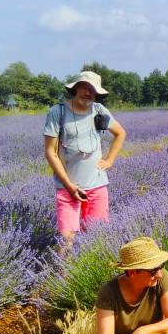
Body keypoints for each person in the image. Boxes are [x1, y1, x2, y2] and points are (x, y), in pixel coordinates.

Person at [43, 70, 126, 250]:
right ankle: (63, 275)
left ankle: (89, 276)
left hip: (96, 186)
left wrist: (109, 160)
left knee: (97, 236)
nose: (88, 92)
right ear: (76, 88)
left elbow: (120, 133)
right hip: (67, 188)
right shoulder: (59, 112)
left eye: (92, 89)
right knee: (67, 239)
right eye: (84, 87)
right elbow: (51, 152)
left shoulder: (99, 110)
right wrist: (70, 186)